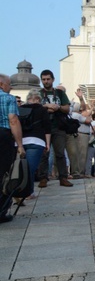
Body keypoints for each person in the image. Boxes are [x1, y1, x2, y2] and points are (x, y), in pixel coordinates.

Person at [14, 89, 51, 205]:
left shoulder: (20, 109)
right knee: (30, 168)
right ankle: (29, 192)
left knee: (19, 168)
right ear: (39, 99)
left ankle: (17, 190)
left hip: (20, 142)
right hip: (37, 141)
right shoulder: (42, 110)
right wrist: (48, 143)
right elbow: (47, 128)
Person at [36, 69, 72, 187]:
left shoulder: (60, 93)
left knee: (60, 153)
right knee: (44, 153)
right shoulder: (38, 93)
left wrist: (57, 107)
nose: (46, 81)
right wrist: (46, 106)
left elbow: (67, 108)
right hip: (43, 127)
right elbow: (34, 107)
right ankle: (43, 177)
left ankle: (63, 177)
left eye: (48, 79)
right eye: (44, 79)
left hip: (58, 126)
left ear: (53, 79)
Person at [0, 74, 25, 223]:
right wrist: (20, 145)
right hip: (3, 137)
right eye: (9, 84)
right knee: (3, 174)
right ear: (2, 84)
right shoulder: (8, 98)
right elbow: (13, 120)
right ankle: (1, 210)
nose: (11, 87)